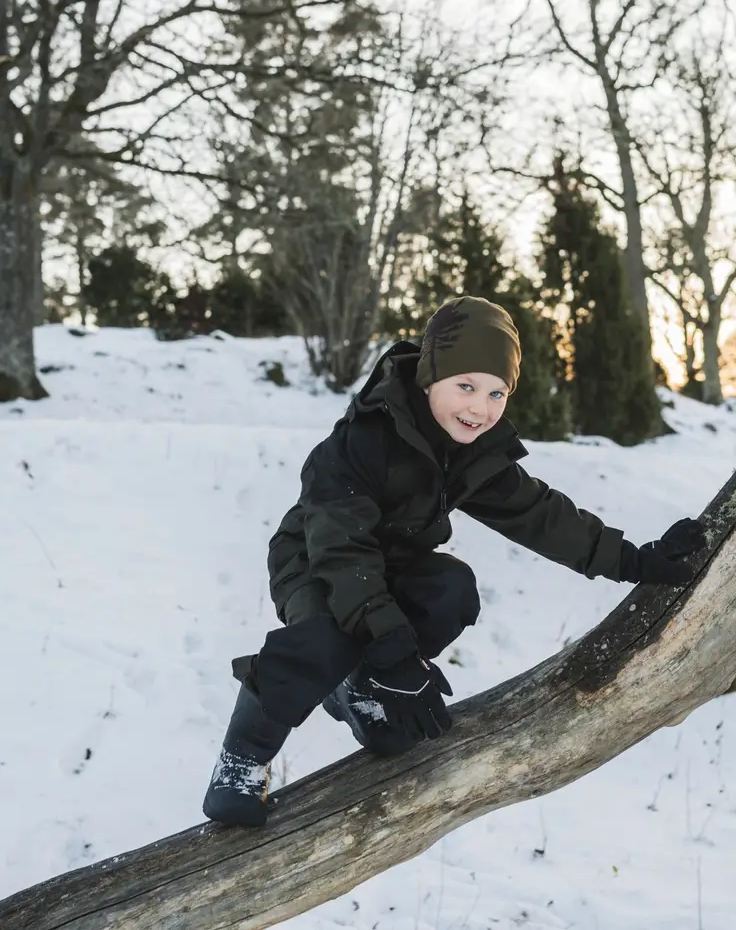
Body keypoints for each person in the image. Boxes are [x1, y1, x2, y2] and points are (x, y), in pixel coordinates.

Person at [202, 296, 705, 826]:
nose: (480, 408)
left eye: (497, 393)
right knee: (324, 640)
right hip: (316, 560)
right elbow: (343, 554)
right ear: (429, 376)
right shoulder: (361, 441)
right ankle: (242, 762)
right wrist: (394, 649)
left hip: (391, 564)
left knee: (451, 588)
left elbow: (540, 515)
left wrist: (632, 559)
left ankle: (365, 691)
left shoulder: (468, 449)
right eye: (465, 386)